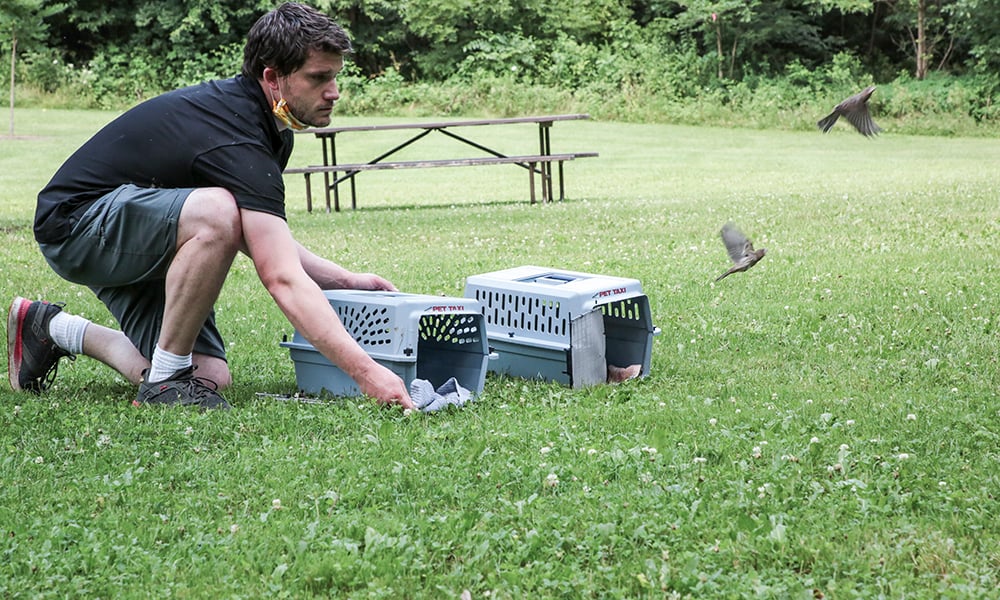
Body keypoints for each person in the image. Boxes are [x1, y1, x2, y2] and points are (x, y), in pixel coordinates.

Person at [6, 2, 414, 411]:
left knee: (208, 376)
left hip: (146, 237)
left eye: (335, 76)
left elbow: (264, 243)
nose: (334, 91)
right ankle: (164, 384)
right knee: (218, 210)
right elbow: (280, 276)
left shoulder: (270, 130)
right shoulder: (236, 135)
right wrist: (367, 372)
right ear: (272, 77)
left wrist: (345, 280)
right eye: (319, 78)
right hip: (76, 224)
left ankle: (52, 328)